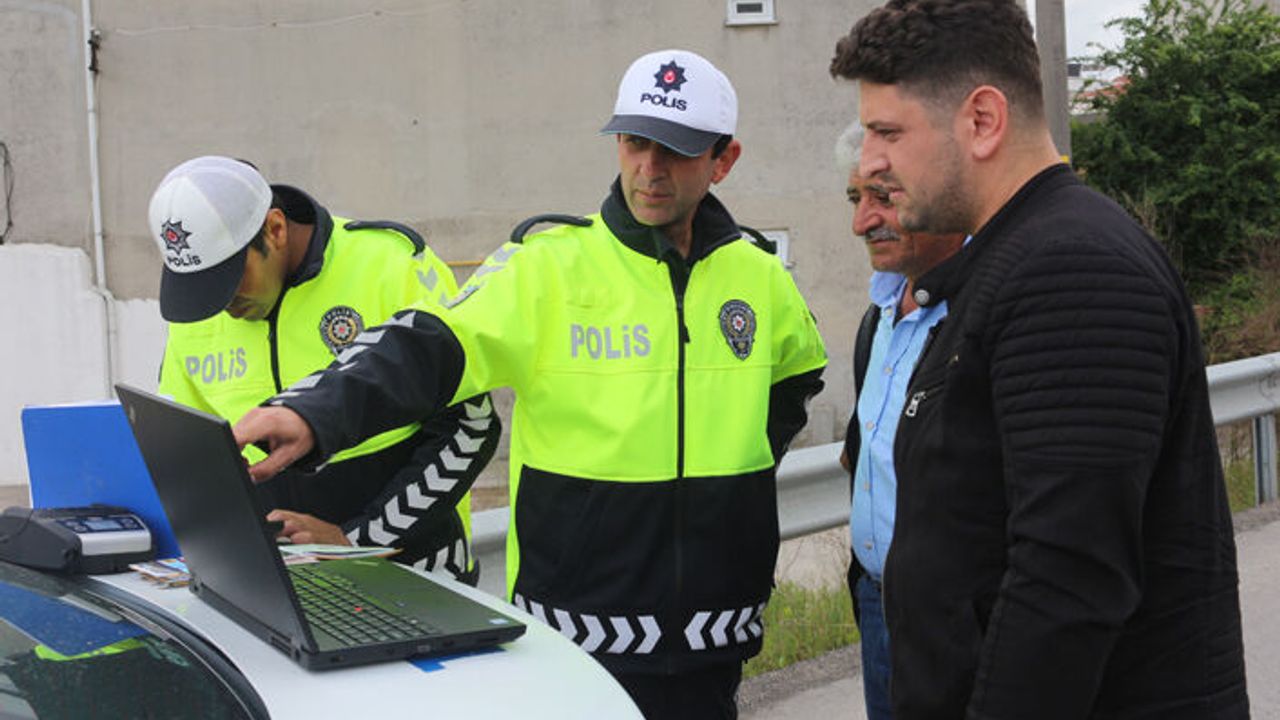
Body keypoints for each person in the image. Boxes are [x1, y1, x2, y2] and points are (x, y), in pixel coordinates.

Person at [232, 49, 827, 719]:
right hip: (579, 635)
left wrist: (730, 497)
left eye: (676, 150)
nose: (649, 168)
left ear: (724, 159)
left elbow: (795, 380)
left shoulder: (761, 276)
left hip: (714, 635)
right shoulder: (547, 268)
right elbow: (427, 343)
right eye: (634, 142)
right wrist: (316, 413)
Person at [830, 1, 1250, 717]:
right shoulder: (1008, 258)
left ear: (983, 119)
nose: (870, 160)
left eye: (887, 132)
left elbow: (1066, 584)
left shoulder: (1071, 267)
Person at [149, 156, 499, 584]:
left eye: (228, 278)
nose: (220, 304)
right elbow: (187, 450)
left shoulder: (390, 264)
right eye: (201, 287)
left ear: (275, 230)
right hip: (280, 585)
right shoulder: (200, 313)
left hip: (418, 575)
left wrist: (357, 541)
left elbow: (470, 426)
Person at [835, 122, 965, 720]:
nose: (863, 220)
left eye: (883, 197)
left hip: (952, 617)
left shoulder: (984, 312)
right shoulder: (878, 314)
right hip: (877, 601)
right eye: (856, 197)